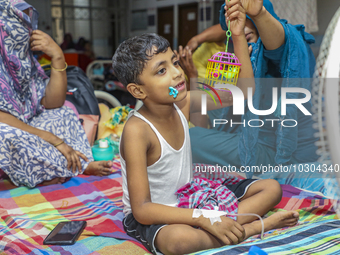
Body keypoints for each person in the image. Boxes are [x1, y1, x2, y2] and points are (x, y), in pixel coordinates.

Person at [112, 2, 299, 254]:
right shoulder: (137, 130)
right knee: (179, 241)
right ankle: (252, 228)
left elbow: (245, 93)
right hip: (160, 212)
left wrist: (238, 36)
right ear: (138, 90)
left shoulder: (185, 102)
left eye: (175, 63)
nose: (177, 74)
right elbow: (142, 209)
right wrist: (202, 218)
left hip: (191, 196)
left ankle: (221, 224)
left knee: (271, 188)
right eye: (161, 71)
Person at [187, 0, 318, 178]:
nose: (243, 26)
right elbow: (204, 124)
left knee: (189, 140)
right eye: (236, 23)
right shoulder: (233, 64)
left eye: (247, 18)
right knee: (190, 138)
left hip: (281, 155)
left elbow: (279, 47)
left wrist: (259, 13)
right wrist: (193, 76)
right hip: (250, 145)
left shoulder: (289, 48)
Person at [0, 0, 112, 188]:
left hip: (26, 127)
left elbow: (53, 102)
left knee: (63, 113)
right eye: (20, 23)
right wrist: (54, 140)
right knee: (3, 134)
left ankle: (77, 163)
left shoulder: (24, 62)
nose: (28, 31)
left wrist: (58, 56)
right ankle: (57, 170)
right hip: (8, 130)